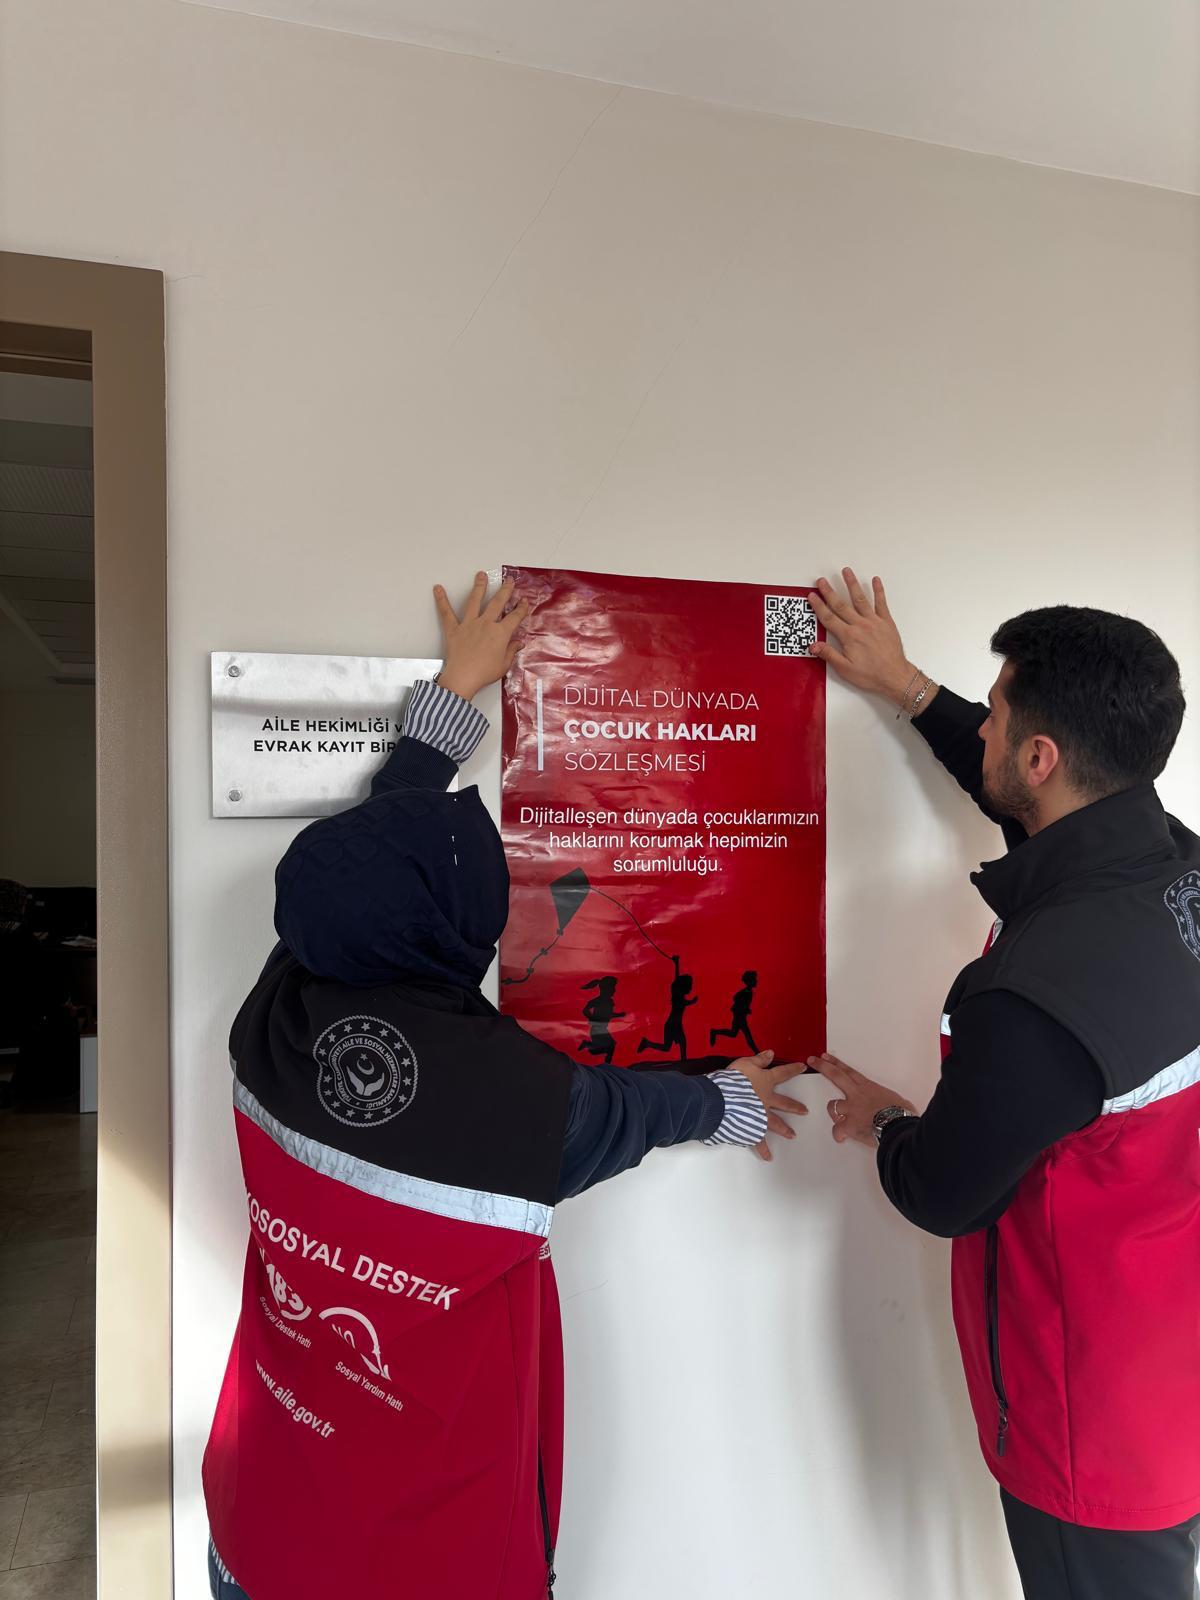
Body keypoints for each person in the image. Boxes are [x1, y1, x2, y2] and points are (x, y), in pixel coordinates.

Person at [202, 572, 807, 1600]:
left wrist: (447, 706)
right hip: (426, 1564)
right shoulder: (508, 1101)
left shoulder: (284, 1003)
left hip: (263, 1516)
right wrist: (733, 1100)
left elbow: (360, 880)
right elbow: (628, 1112)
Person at [805, 570, 1200, 1600]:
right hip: (1172, 1370)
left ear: (1041, 756)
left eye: (996, 717)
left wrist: (884, 1119)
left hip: (1088, 1429)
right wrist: (906, 686)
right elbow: (1035, 817)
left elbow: (942, 1190)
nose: (979, 730)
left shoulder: (1035, 992)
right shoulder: (1174, 870)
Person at [638, 953, 698, 1061]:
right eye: (690, 985)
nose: (691, 988)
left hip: (674, 1024)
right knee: (677, 1044)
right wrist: (692, 1002)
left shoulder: (678, 993)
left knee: (671, 1046)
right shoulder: (677, 996)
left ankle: (647, 1043)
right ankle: (683, 1061)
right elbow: (678, 987)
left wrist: (676, 964)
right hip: (673, 1024)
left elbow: (676, 979)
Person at [711, 970, 760, 1053]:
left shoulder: (748, 991)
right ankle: (757, 1052)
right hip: (740, 1017)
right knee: (747, 1034)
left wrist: (746, 1009)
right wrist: (744, 1009)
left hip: (740, 1016)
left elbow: (739, 1000)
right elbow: (736, 998)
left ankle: (715, 1032)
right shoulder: (746, 992)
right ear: (749, 981)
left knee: (733, 1033)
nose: (756, 981)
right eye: (754, 979)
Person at [580, 976, 624, 1064]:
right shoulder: (598, 1000)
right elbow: (585, 1010)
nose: (614, 990)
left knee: (609, 1047)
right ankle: (588, 1046)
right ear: (605, 989)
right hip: (597, 1028)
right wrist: (592, 1018)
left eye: (614, 988)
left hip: (602, 1028)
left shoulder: (609, 1001)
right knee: (609, 1047)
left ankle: (607, 1065)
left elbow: (608, 1014)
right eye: (612, 988)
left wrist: (619, 1015)